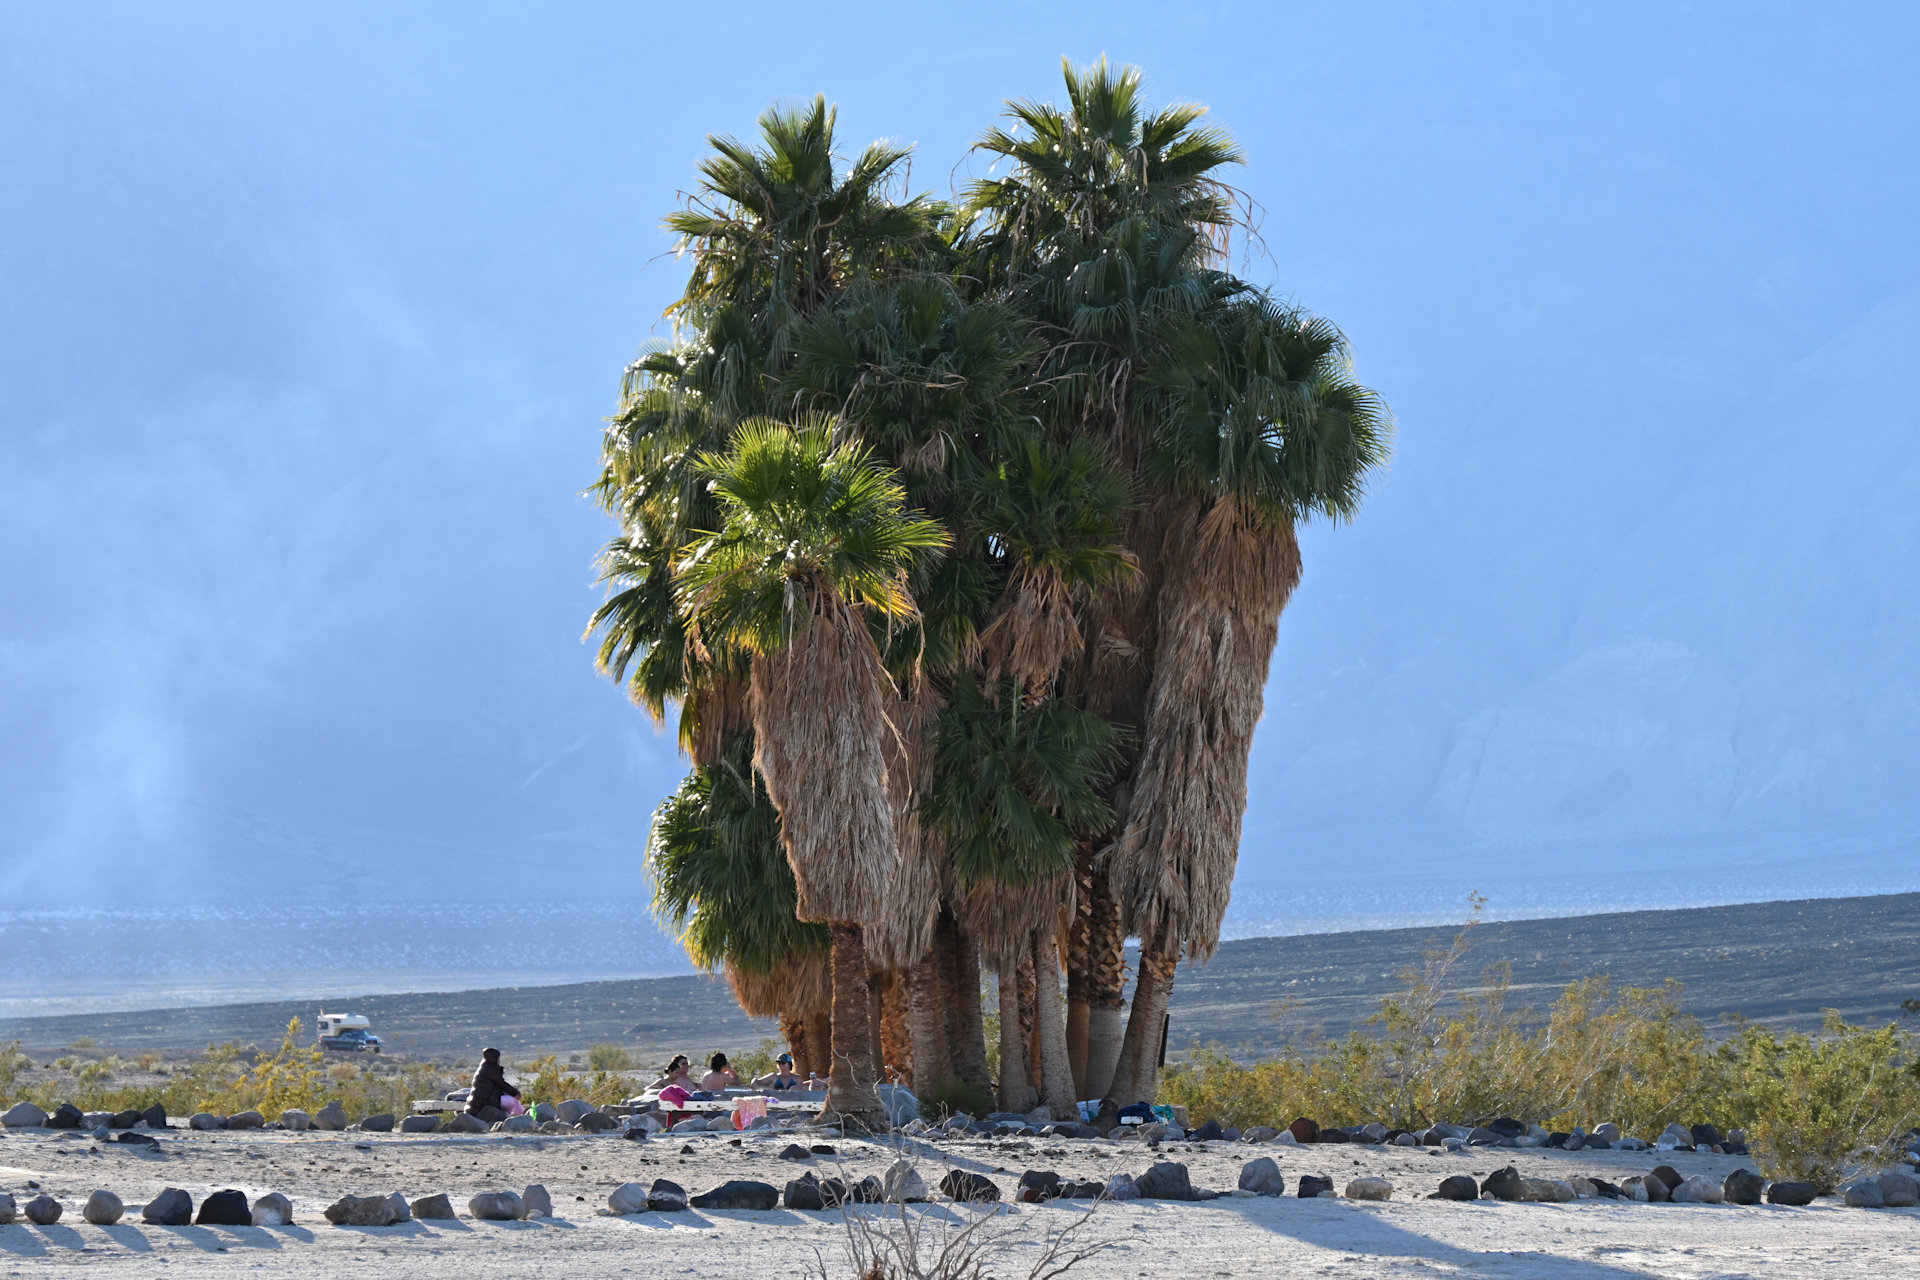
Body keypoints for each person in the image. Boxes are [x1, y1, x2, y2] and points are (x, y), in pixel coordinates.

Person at [465, 1047, 521, 1121]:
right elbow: (502, 1084)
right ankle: (509, 1118)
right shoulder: (490, 1070)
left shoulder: (485, 1067)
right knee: (510, 1100)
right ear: (495, 1058)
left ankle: (512, 1116)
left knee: (509, 1098)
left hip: (479, 1102)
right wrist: (516, 1092)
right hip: (485, 1102)